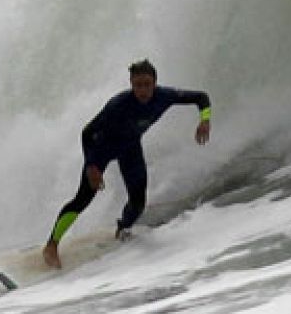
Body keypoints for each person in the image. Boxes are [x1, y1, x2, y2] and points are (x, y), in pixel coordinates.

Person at [43, 59, 211, 267]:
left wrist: (205, 120)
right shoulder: (118, 105)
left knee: (138, 201)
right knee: (83, 199)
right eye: (137, 85)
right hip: (101, 150)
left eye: (146, 84)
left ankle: (123, 228)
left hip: (130, 149)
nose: (142, 90)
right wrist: (92, 166)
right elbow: (88, 132)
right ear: (131, 84)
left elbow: (201, 97)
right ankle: (51, 245)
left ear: (155, 83)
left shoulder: (164, 96)